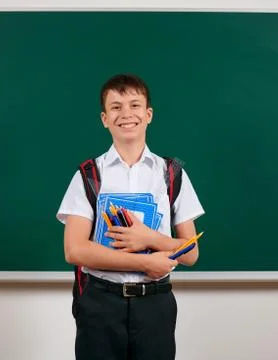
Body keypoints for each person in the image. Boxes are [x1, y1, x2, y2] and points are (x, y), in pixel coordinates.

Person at [57, 74, 204, 360]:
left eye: (135, 105)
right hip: (100, 303)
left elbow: (191, 251)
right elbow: (74, 250)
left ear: (148, 114)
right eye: (116, 107)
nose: (126, 114)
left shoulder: (171, 174)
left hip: (155, 304)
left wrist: (148, 238)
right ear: (104, 118)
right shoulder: (89, 174)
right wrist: (143, 260)